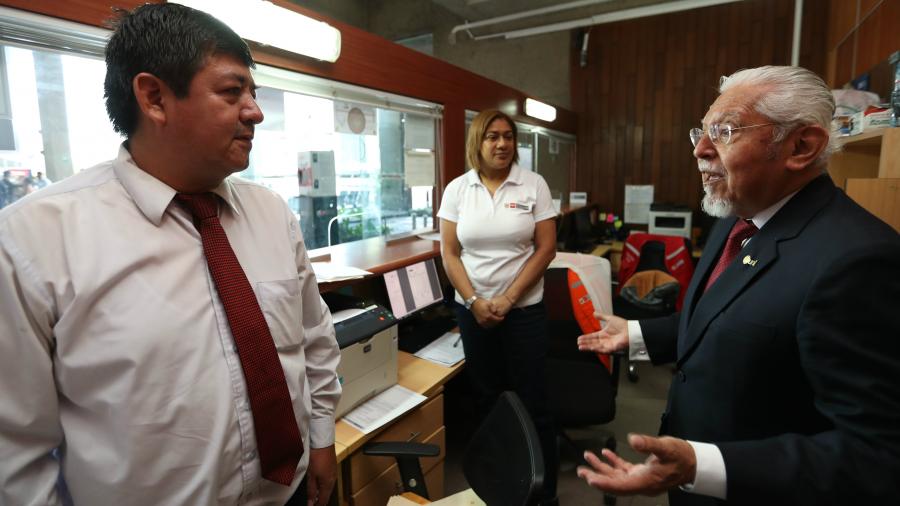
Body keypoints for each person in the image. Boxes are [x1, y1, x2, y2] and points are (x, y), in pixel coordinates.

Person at [0, 4, 341, 505]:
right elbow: (15, 451)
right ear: (154, 97)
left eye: (253, 93)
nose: (255, 112)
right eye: (232, 92)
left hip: (287, 492)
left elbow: (313, 338)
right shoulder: (34, 240)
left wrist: (323, 438)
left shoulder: (271, 214)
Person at [575, 65, 900, 505]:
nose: (700, 150)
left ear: (801, 146)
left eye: (725, 132)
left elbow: (876, 456)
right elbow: (731, 321)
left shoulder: (858, 260)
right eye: (701, 132)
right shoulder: (737, 217)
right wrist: (635, 335)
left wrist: (704, 467)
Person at [438, 109, 559, 505]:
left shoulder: (533, 184)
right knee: (487, 401)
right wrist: (474, 302)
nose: (502, 143)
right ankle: (500, 489)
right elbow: (450, 253)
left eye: (508, 136)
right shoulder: (458, 189)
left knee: (534, 402)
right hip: (473, 313)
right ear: (478, 141)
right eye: (493, 136)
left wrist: (508, 299)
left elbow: (546, 249)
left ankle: (544, 495)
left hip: (524, 313)